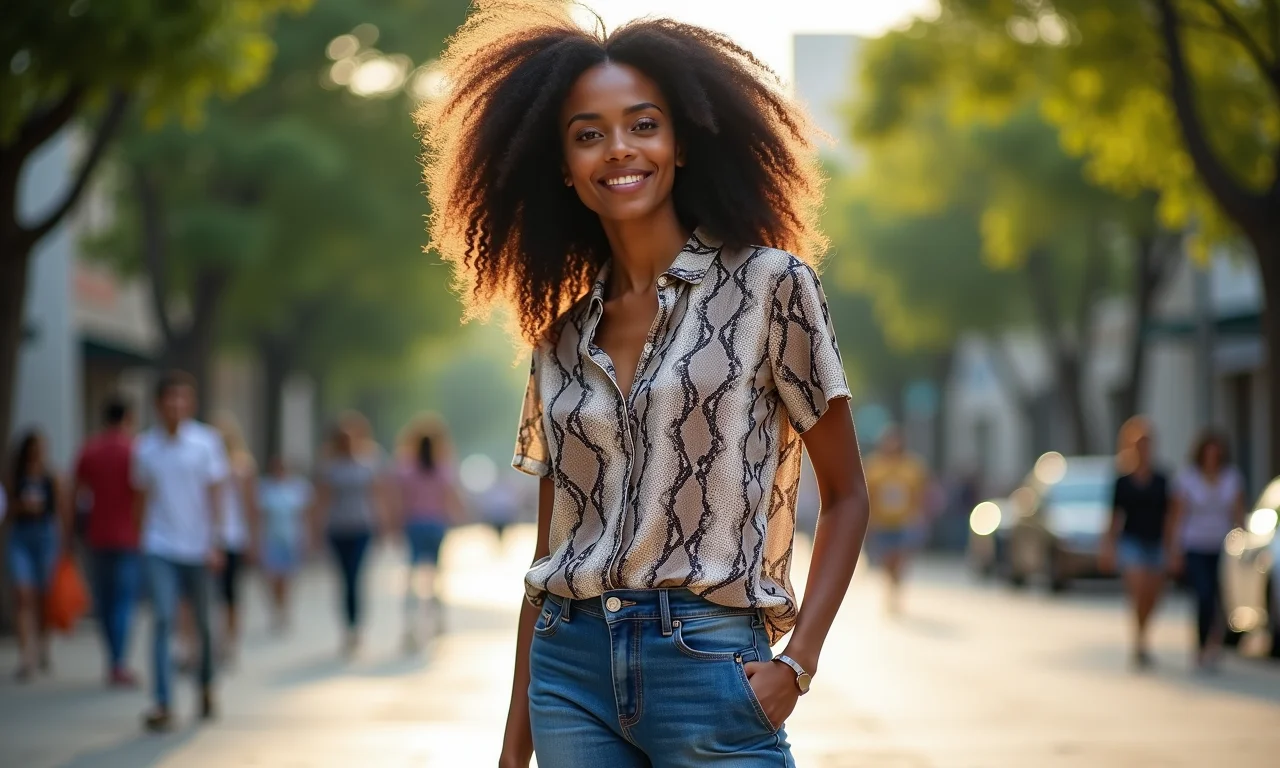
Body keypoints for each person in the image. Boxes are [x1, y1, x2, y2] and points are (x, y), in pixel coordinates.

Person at [418, 6, 871, 765]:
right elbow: (548, 554)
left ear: (682, 141)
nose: (618, 150)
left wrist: (799, 664)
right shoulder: (560, 337)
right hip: (569, 673)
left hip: (710, 662)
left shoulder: (770, 288)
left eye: (642, 124)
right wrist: (510, 753)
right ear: (563, 164)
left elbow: (849, 494)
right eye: (588, 134)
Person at [132, 371, 227, 730]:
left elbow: (215, 495)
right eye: (169, 398)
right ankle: (162, 701)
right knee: (162, 619)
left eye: (182, 398)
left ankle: (205, 685)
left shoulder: (206, 443)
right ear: (158, 404)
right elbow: (140, 499)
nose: (175, 405)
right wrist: (141, 540)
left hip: (199, 546)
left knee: (203, 621)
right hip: (160, 544)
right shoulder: (145, 448)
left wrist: (217, 540)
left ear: (191, 403)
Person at [73, 397, 142, 687]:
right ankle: (118, 662)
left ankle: (112, 660)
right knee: (124, 601)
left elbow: (74, 492)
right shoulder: (136, 450)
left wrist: (71, 530)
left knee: (104, 600)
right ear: (127, 417)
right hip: (129, 536)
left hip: (97, 535)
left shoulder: (90, 449)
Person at [1100, 416, 1175, 670]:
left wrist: (1171, 547)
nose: (1143, 448)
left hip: (1155, 542)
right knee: (1139, 587)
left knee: (1153, 596)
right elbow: (1113, 516)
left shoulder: (1162, 479)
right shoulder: (1122, 480)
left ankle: (1144, 635)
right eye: (1138, 443)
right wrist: (1108, 547)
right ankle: (1139, 642)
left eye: (1147, 443)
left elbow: (1170, 516)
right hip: (1131, 541)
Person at [1170, 429, 1246, 672]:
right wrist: (1174, 549)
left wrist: (1243, 541)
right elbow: (1178, 515)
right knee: (1203, 595)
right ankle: (1201, 645)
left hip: (1223, 546)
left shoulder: (1231, 477)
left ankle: (1215, 643)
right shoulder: (1188, 478)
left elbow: (1237, 512)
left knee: (1219, 597)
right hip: (1195, 545)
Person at [389, 428, 465, 649]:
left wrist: (394, 526)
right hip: (436, 525)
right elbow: (451, 497)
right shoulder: (442, 469)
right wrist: (459, 516)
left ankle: (410, 627)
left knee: (412, 577)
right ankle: (438, 621)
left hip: (414, 525)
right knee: (436, 576)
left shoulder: (406, 471)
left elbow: (399, 502)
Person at [4, 431, 70, 682]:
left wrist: (65, 543)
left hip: (45, 535)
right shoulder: (15, 476)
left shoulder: (51, 476)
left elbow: (61, 509)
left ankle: (43, 646)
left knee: (44, 595)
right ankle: (25, 656)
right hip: (20, 534)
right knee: (22, 594)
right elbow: (7, 506)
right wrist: (21, 506)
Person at [314, 425, 381, 657]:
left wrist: (382, 524)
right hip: (338, 529)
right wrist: (316, 530)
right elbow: (322, 499)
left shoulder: (366, 464)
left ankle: (356, 629)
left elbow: (376, 495)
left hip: (361, 527)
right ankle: (347, 627)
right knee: (343, 581)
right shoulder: (330, 468)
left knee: (355, 578)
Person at [862, 426, 929, 616]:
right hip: (881, 523)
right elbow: (868, 494)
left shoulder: (913, 466)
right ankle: (891, 586)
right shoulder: (873, 465)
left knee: (899, 560)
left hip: (905, 522)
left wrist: (920, 517)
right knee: (887, 561)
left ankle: (896, 592)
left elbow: (920, 494)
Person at [211, 413, 257, 666]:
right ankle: (208, 642)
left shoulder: (242, 467)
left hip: (234, 536)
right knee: (209, 595)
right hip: (208, 540)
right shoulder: (204, 464)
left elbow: (250, 505)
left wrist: (252, 537)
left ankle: (231, 641)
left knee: (231, 593)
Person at [256, 455, 312, 633]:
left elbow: (305, 515)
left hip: (292, 538)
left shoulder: (298, 488)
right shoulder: (265, 488)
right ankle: (276, 608)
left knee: (287, 578)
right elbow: (259, 516)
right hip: (271, 539)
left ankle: (285, 610)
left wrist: (308, 538)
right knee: (273, 577)